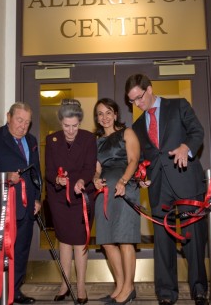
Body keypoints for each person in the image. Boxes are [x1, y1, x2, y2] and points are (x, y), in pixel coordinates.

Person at [125, 73, 209, 305]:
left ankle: (199, 289)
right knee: (162, 240)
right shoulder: (138, 126)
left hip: (186, 179)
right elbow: (143, 158)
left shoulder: (178, 105)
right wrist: (142, 176)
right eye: (132, 101)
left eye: (139, 98)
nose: (137, 104)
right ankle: (165, 292)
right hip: (159, 187)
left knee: (193, 238)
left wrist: (185, 147)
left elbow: (197, 132)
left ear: (150, 89)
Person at [0, 102, 42, 305]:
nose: (23, 126)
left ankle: (14, 292)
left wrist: (38, 198)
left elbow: (36, 173)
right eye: (19, 120)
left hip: (27, 207)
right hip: (1, 207)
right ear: (9, 117)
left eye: (27, 122)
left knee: (21, 251)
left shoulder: (31, 141)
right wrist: (5, 178)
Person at [45, 99, 97, 304]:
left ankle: (81, 285)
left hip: (81, 195)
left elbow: (89, 167)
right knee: (64, 241)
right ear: (60, 122)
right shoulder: (52, 140)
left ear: (80, 123)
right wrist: (57, 179)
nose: (70, 130)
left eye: (75, 125)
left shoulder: (88, 138)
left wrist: (81, 181)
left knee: (79, 241)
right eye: (66, 126)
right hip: (59, 198)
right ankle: (65, 283)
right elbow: (48, 170)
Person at [92, 98, 141, 305]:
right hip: (104, 193)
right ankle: (120, 286)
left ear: (116, 114)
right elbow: (96, 167)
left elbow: (133, 161)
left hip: (125, 189)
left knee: (125, 238)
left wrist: (122, 181)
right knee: (107, 240)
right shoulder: (97, 141)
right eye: (100, 114)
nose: (104, 117)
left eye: (108, 112)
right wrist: (94, 178)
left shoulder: (126, 133)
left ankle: (129, 288)